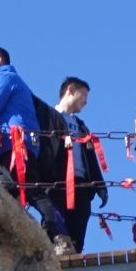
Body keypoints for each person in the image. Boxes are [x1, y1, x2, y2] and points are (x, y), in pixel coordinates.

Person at [34, 76, 107, 254]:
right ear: (71, 90)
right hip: (56, 182)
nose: (86, 101)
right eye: (84, 95)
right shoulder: (48, 116)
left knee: (78, 233)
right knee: (53, 227)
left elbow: (91, 159)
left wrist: (100, 186)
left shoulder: (82, 127)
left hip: (81, 184)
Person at [0, 47, 43, 196]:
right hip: (24, 142)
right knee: (25, 190)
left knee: (24, 190)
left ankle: (52, 218)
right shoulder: (14, 79)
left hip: (12, 144)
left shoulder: (3, 77)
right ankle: (51, 217)